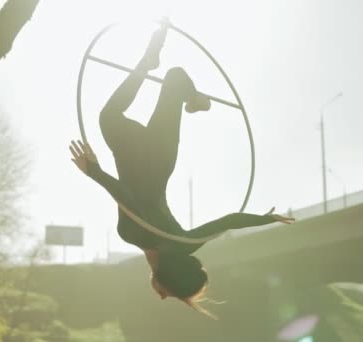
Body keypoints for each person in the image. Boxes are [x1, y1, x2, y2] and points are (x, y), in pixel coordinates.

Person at [69, 24, 293, 317]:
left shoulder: (187, 244)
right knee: (111, 115)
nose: (162, 297)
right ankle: (180, 88)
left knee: (174, 78)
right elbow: (127, 198)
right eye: (168, 293)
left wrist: (266, 218)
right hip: (142, 156)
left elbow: (230, 221)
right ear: (163, 281)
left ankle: (183, 90)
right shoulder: (135, 235)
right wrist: (94, 171)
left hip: (157, 158)